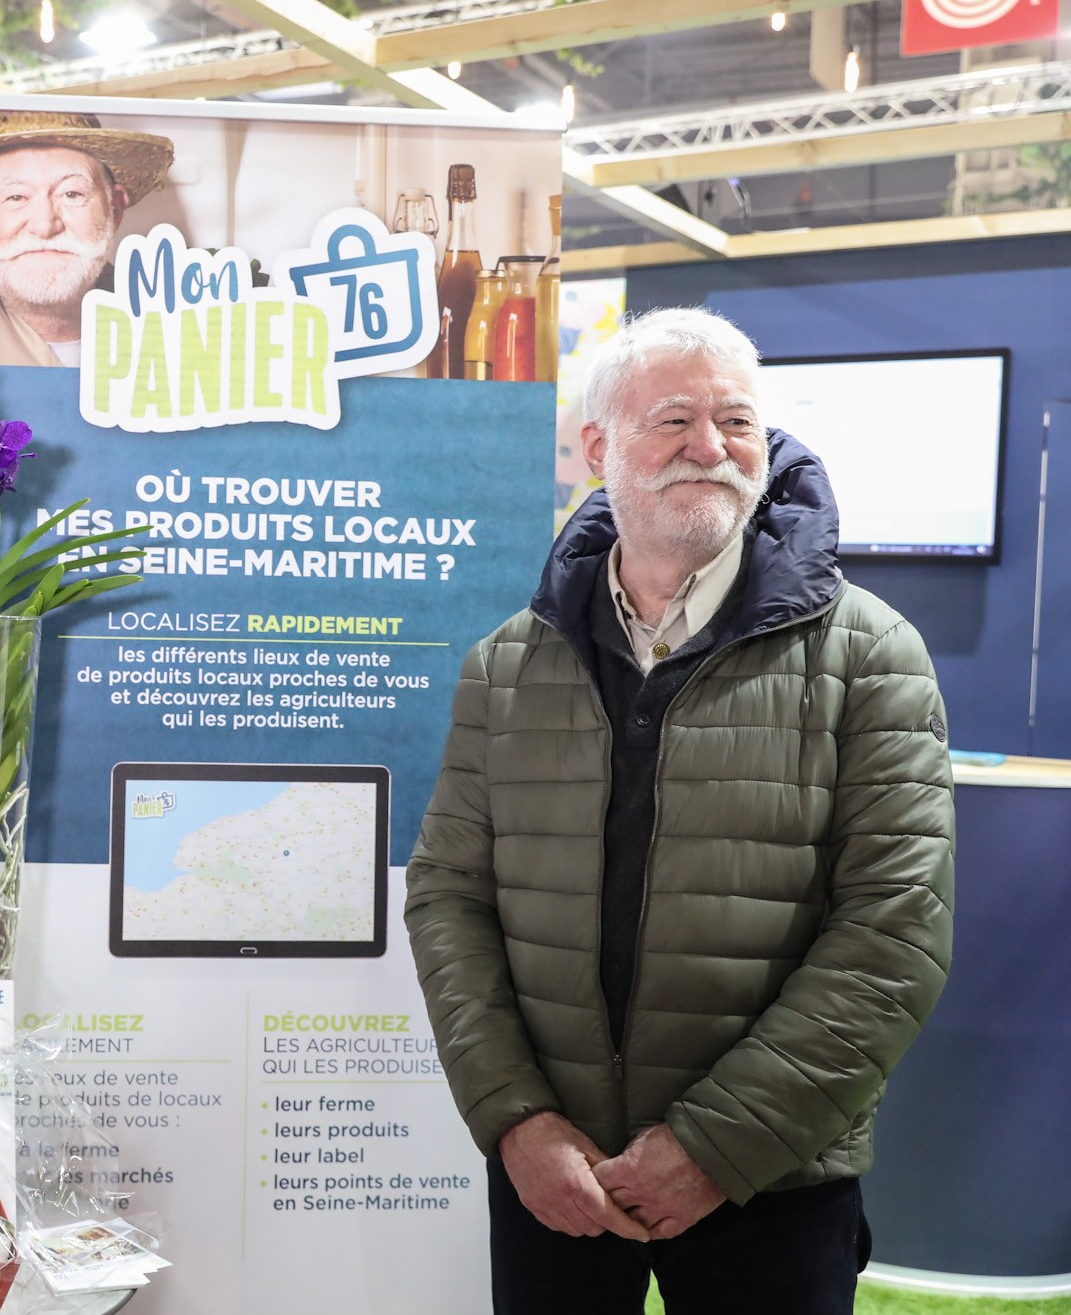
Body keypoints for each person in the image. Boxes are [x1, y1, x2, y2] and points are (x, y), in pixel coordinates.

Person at [404, 307, 955, 1315]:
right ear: (595, 447)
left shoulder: (869, 655)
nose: (710, 448)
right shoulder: (505, 664)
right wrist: (515, 1121)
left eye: (736, 422)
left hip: (770, 1175)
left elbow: (894, 934)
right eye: (671, 421)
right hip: (552, 1176)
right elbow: (447, 896)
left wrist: (713, 1145)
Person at [0, 110, 172, 368]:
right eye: (15, 197)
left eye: (71, 193)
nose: (45, 225)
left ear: (114, 209)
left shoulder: (174, 323)